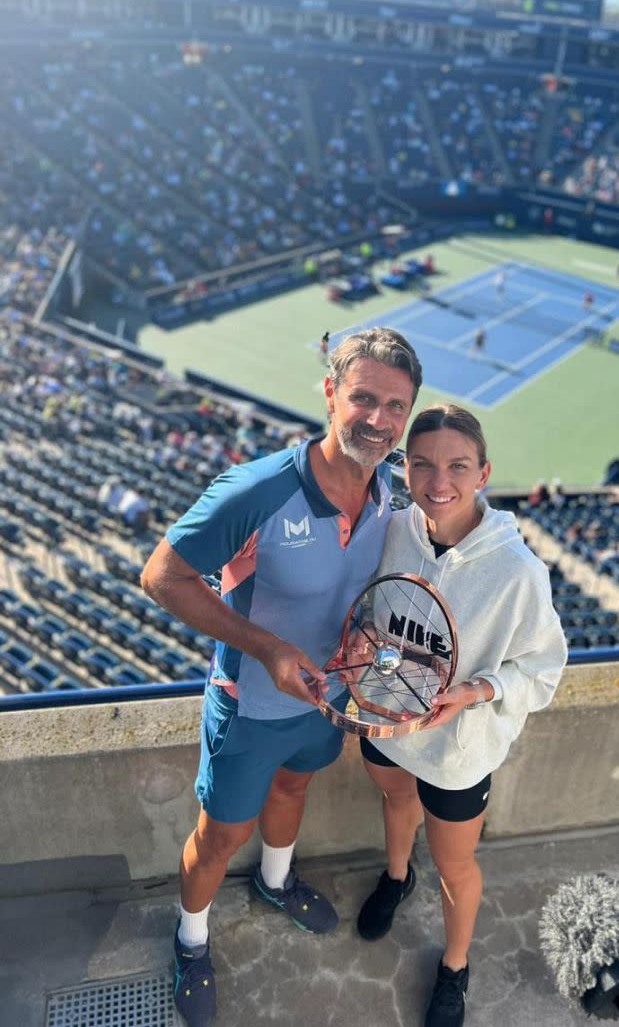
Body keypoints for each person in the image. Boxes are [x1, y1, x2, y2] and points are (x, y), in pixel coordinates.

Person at [141, 327, 422, 1027]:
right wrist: (265, 647)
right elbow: (161, 575)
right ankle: (191, 940)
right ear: (330, 393)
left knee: (296, 786)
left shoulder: (388, 487)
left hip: (322, 702)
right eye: (364, 398)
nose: (379, 420)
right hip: (250, 703)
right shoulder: (261, 487)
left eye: (396, 406)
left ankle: (275, 881)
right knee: (218, 836)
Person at [354, 405, 567, 1027]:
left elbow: (545, 669)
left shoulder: (520, 572)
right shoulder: (395, 529)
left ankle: (454, 965)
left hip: (457, 751)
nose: (437, 480)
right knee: (395, 806)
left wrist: (476, 692)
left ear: (483, 473)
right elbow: (374, 612)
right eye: (421, 464)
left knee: (454, 865)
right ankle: (396, 878)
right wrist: (366, 642)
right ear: (406, 468)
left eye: (456, 465)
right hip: (388, 723)